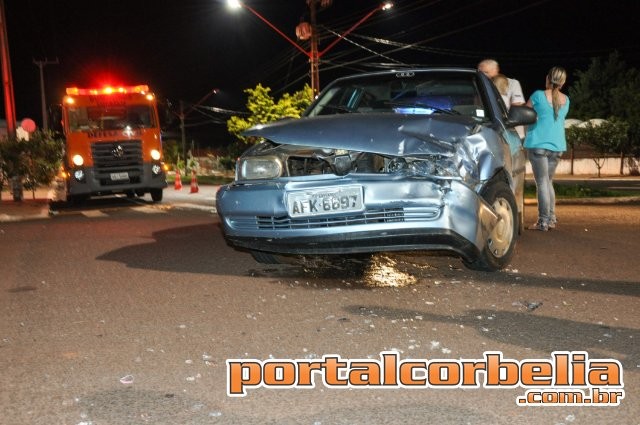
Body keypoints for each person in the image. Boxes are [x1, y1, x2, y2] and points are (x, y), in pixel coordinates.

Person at [524, 66, 570, 231]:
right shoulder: (566, 100)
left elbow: (524, 113)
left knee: (542, 183)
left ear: (547, 78)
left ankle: (543, 221)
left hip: (538, 144)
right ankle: (550, 219)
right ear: (562, 82)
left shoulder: (538, 95)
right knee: (548, 182)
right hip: (557, 146)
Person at [478, 59, 526, 138]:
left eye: (486, 72)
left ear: (496, 70)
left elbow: (518, 105)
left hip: (512, 133)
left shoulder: (512, 83)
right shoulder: (481, 86)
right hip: (489, 133)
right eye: (480, 73)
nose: (482, 76)